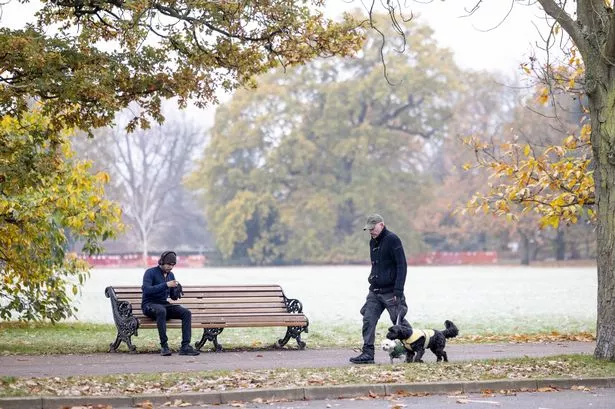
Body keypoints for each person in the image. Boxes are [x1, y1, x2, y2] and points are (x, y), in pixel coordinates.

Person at [350, 213, 411, 364]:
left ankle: (412, 350)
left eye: (373, 228)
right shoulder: (373, 241)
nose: (371, 231)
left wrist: (398, 290)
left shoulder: (392, 239)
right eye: (369, 229)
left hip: (392, 292)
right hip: (375, 291)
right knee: (368, 320)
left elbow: (402, 265)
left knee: (399, 324)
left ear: (381, 225)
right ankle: (368, 354)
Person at [141, 251, 200, 356]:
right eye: (169, 264)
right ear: (162, 262)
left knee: (186, 313)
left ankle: (185, 346)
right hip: (149, 305)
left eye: (173, 265)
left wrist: (176, 290)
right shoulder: (150, 272)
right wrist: (166, 285)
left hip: (164, 304)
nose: (170, 267)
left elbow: (172, 297)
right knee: (161, 310)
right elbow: (147, 290)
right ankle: (164, 346)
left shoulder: (171, 275)